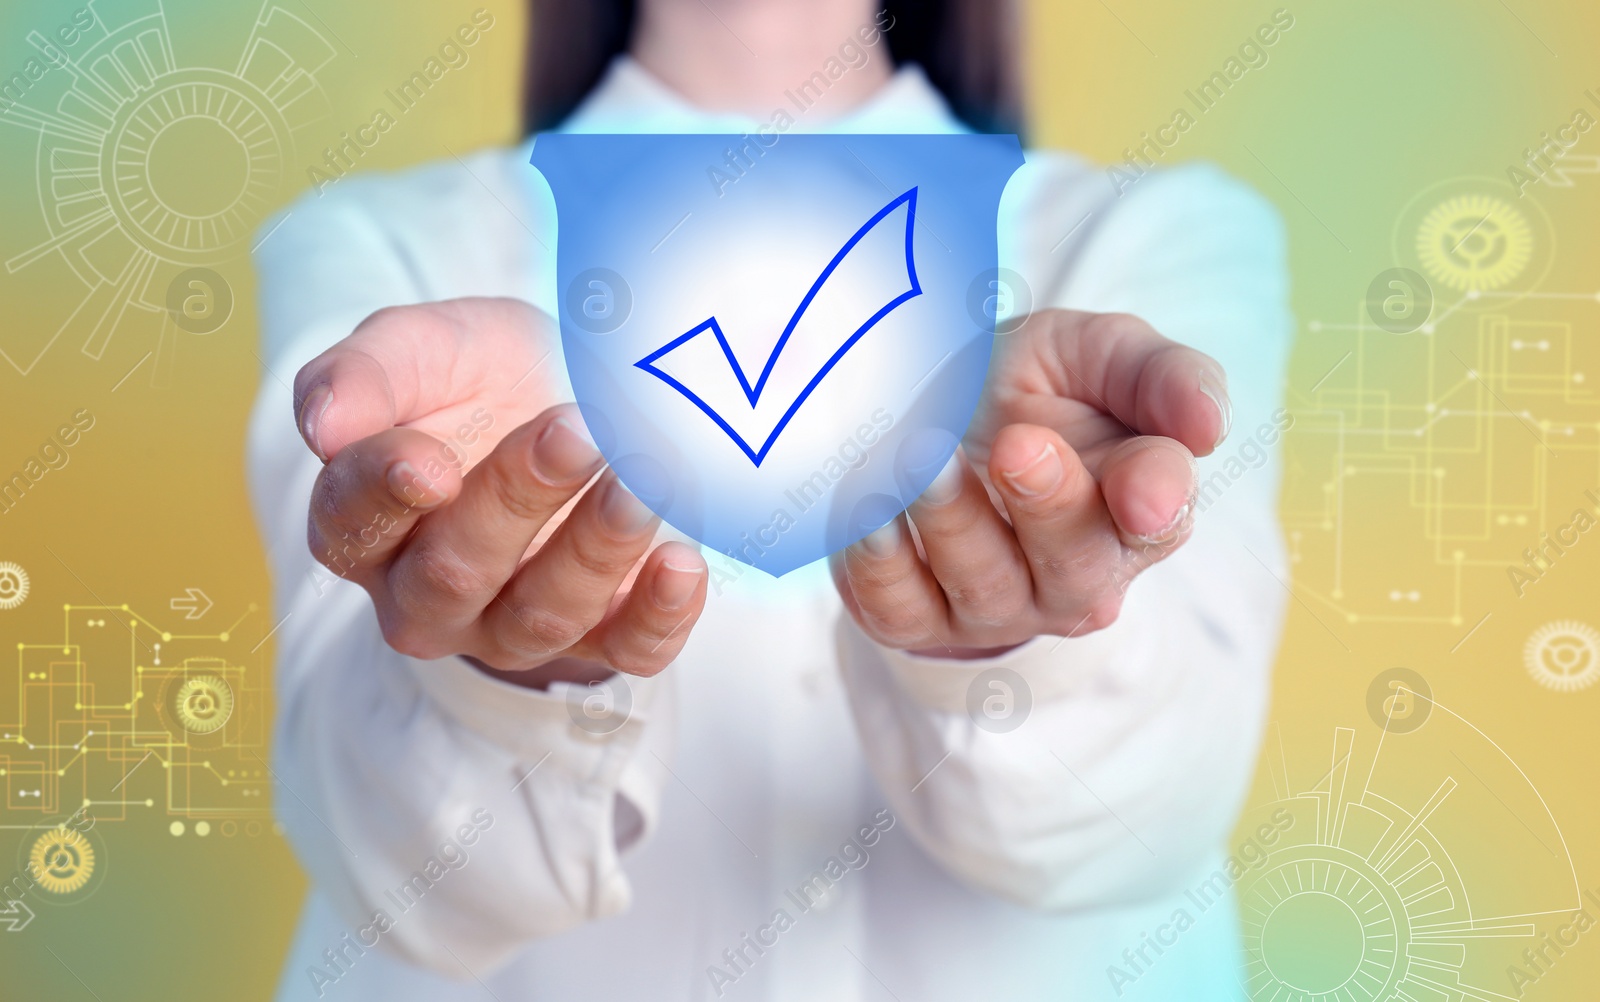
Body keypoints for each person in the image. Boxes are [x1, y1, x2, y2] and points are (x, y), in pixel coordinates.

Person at [247, 0, 1291, 998]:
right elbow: (379, 858)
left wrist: (1007, 645)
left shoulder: (1154, 232)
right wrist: (514, 663)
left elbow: (1162, 805)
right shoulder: (376, 244)